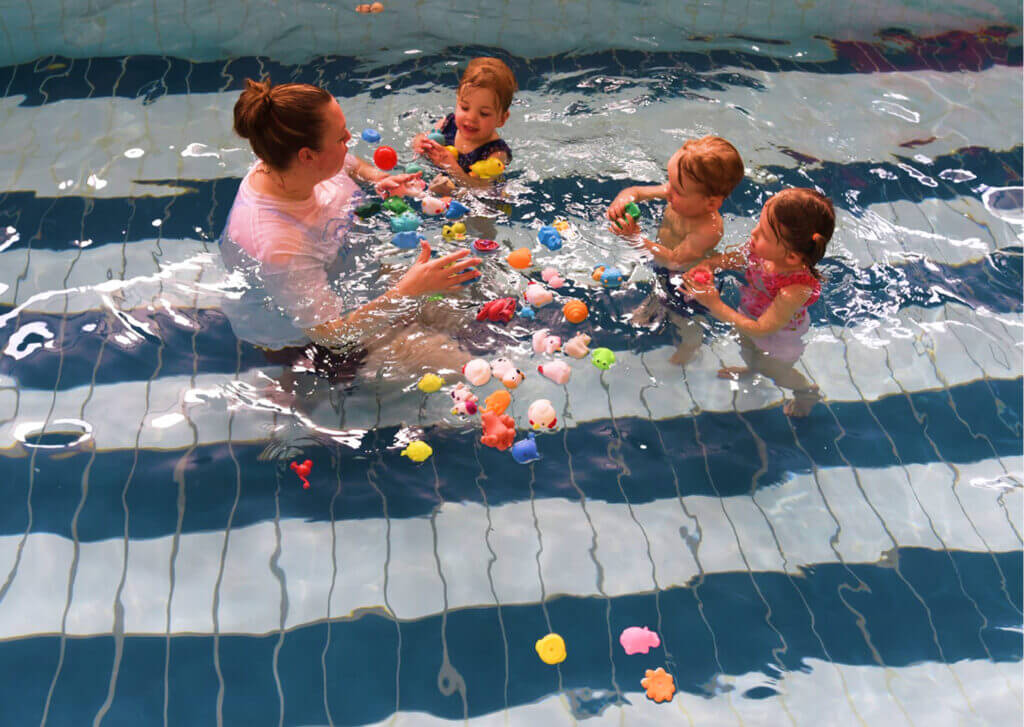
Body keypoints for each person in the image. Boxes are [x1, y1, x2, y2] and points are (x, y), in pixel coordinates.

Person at [220, 78, 481, 385]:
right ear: (308, 156)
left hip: (355, 283)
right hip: (313, 344)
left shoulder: (288, 161)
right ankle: (297, 390)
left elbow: (350, 164)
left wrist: (380, 178)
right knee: (465, 368)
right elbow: (333, 335)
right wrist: (406, 292)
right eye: (340, 137)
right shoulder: (278, 246)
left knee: (471, 287)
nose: (349, 139)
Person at [680, 188, 835, 417]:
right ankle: (752, 368)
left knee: (775, 371)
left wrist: (714, 304)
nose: (753, 233)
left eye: (763, 234)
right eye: (758, 226)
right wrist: (709, 265)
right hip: (750, 315)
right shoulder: (760, 252)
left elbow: (762, 329)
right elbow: (731, 260)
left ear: (792, 257)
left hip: (780, 335)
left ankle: (805, 391)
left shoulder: (795, 289)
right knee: (746, 345)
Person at [606, 136, 745, 365]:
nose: (668, 191)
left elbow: (675, 261)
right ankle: (656, 306)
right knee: (660, 290)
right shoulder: (677, 191)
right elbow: (636, 192)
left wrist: (635, 238)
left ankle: (692, 347)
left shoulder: (708, 229)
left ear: (710, 203)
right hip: (662, 261)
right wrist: (621, 202)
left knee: (686, 318)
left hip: (688, 280)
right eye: (669, 181)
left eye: (677, 190)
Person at [412, 57, 517, 195]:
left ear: (501, 119)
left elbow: (482, 189)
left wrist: (451, 167)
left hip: (475, 198)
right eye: (465, 107)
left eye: (484, 114)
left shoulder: (496, 154)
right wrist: (419, 143)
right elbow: (423, 137)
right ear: (457, 102)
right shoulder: (447, 124)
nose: (471, 118)